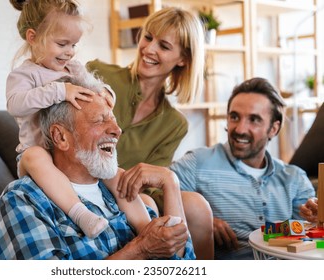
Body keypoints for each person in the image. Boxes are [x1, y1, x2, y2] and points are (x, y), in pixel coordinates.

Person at [0, 73, 194, 260]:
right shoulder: (22, 199)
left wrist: (170, 183)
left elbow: (181, 264)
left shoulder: (121, 190)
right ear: (61, 137)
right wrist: (140, 250)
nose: (117, 130)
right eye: (100, 121)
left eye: (114, 121)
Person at [119, 77, 317, 260]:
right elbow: (153, 195)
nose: (240, 129)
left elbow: (312, 238)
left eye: (254, 120)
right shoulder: (198, 162)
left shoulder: (295, 178)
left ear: (274, 128)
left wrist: (317, 218)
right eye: (234, 117)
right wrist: (203, 220)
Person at [6, 0, 149, 239]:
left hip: (71, 155)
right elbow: (15, 104)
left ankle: (148, 227)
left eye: (74, 44)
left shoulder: (73, 68)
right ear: (33, 37)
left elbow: (97, 86)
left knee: (115, 173)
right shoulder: (24, 75)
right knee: (34, 156)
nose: (70, 51)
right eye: (62, 44)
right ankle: (81, 214)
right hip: (39, 153)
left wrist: (106, 93)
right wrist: (60, 91)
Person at [87, 7, 214, 260]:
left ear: (183, 59)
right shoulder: (100, 75)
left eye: (164, 46)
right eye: (148, 37)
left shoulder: (174, 124)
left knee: (196, 205)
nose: (149, 49)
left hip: (129, 194)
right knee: (147, 204)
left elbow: (152, 180)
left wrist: (167, 184)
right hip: (86, 183)